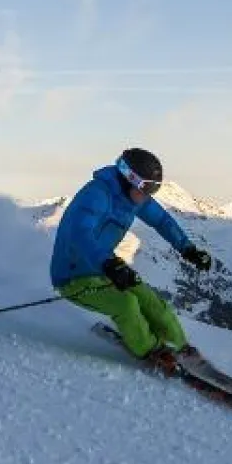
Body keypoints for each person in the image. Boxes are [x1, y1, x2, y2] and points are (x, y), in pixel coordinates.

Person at [50, 147, 214, 372]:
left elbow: (162, 221)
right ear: (129, 179)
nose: (148, 195)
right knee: (126, 304)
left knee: (149, 300)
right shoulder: (97, 195)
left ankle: (180, 346)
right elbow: (81, 234)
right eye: (146, 189)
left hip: (104, 268)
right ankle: (151, 352)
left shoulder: (135, 198)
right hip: (73, 276)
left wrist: (188, 250)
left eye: (153, 190)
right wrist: (109, 263)